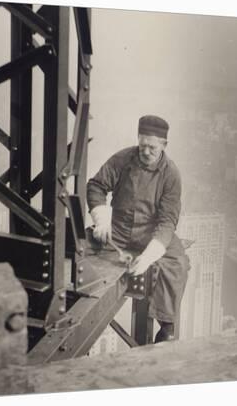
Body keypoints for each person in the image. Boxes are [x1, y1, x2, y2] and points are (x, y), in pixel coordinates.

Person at [87, 115, 190, 343]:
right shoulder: (122, 159)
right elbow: (96, 186)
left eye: (152, 147)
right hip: (119, 233)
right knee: (82, 248)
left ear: (164, 145)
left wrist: (148, 256)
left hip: (151, 236)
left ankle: (167, 325)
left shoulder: (171, 175)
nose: (146, 151)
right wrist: (101, 219)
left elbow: (167, 221)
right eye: (142, 145)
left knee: (178, 263)